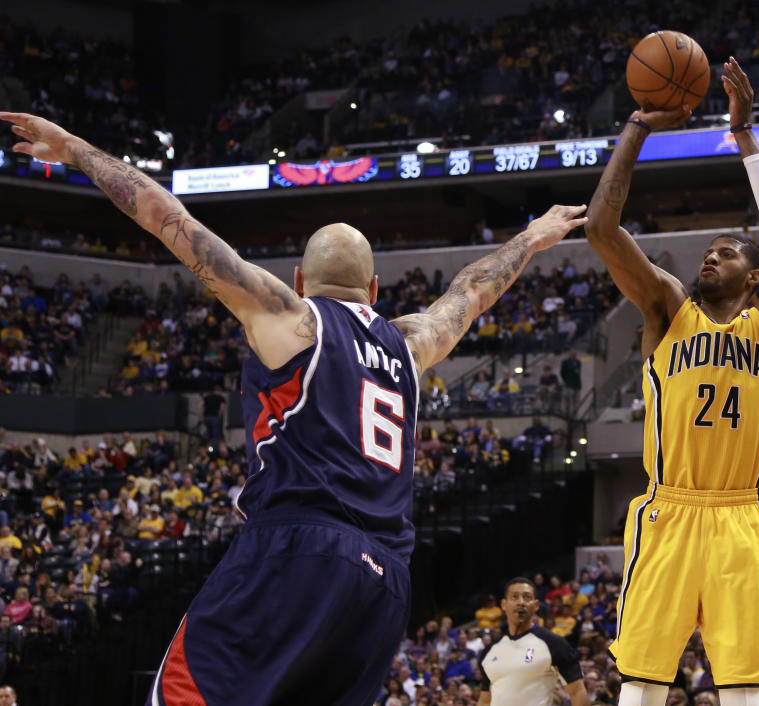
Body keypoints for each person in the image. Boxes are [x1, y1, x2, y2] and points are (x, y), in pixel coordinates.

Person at [0, 111, 589, 705]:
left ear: (301, 280)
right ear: (376, 291)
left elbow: (167, 217)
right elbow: (474, 289)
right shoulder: (411, 345)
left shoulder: (293, 317)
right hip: (384, 581)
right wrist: (532, 238)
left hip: (300, 548)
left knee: (180, 695)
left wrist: (76, 148)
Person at [584, 58, 759, 706]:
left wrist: (745, 138)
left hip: (740, 516)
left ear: (755, 277)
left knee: (743, 692)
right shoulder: (666, 309)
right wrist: (636, 128)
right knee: (642, 688)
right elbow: (600, 229)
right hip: (668, 510)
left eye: (729, 250)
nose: (712, 254)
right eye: (709, 249)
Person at [477, 577, 588, 705]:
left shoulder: (554, 644)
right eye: (514, 597)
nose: (521, 602)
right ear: (504, 605)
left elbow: (577, 691)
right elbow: (485, 701)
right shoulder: (489, 651)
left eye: (527, 597)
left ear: (536, 606)